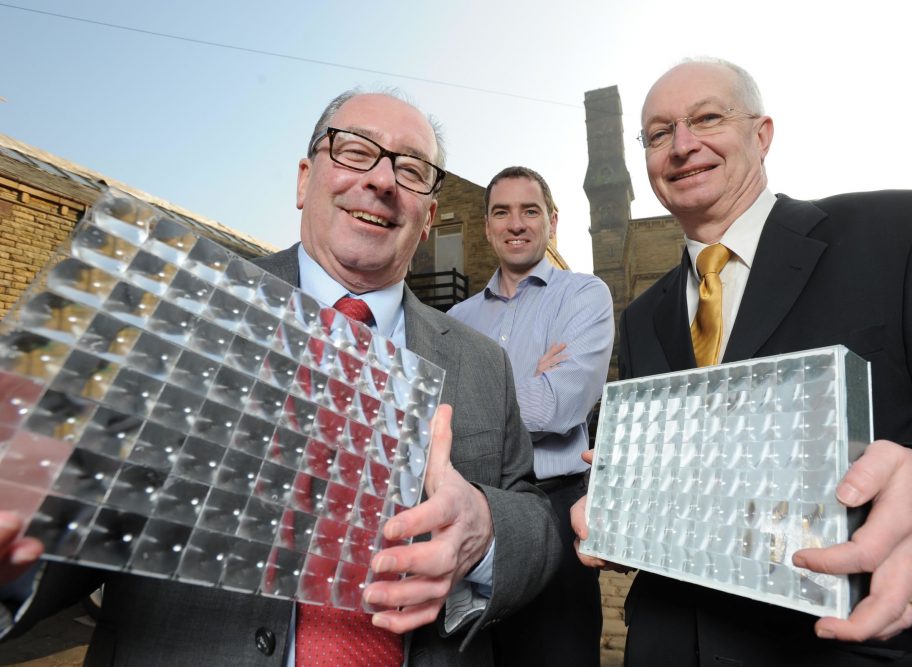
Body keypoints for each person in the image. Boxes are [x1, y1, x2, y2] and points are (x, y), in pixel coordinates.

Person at [0, 89, 561, 666]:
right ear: (304, 180)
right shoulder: (176, 313)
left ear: (429, 219)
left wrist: (486, 530)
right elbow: (67, 527)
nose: (382, 180)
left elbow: (534, 513)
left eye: (412, 170)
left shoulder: (482, 363)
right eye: (355, 151)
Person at [571, 58, 912, 665]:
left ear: (763, 133)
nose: (683, 144)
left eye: (707, 118)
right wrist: (622, 503)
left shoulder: (901, 234)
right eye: (660, 132)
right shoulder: (642, 317)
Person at [448, 166, 613, 666]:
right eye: (502, 212)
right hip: (471, 507)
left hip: (554, 511)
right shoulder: (456, 321)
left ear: (552, 221)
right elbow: (437, 416)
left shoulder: (584, 296)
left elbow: (559, 405)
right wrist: (529, 378)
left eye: (530, 211)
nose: (516, 224)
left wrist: (479, 398)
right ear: (487, 227)